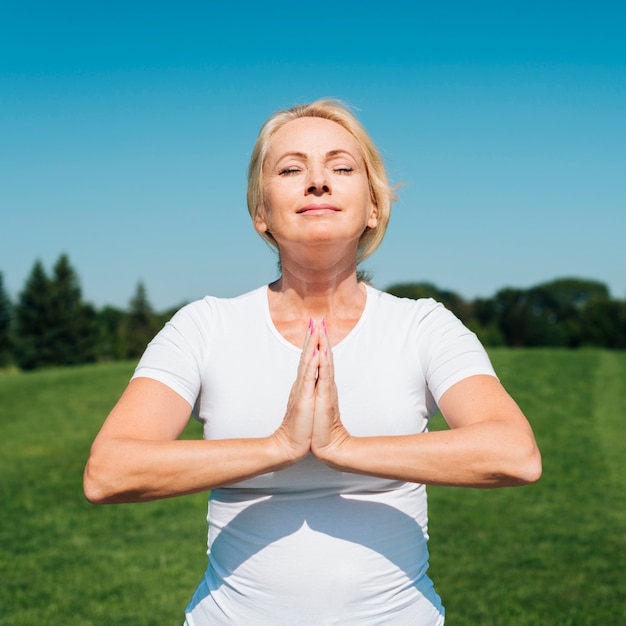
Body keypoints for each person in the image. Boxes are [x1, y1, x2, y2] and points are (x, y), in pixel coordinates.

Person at [84, 99, 542, 625]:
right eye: (291, 169)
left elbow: (515, 454)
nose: (318, 182)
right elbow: (108, 471)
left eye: (342, 167)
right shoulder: (204, 326)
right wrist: (278, 446)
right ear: (262, 212)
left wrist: (342, 447)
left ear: (372, 206)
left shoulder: (422, 326)